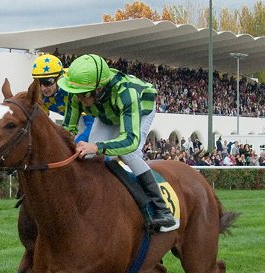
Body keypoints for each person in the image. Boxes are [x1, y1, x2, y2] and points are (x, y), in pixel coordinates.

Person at [57, 54, 174, 229]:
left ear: (98, 89)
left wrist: (97, 146)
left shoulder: (126, 93)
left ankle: (162, 210)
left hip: (139, 110)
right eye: (75, 94)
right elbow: (67, 130)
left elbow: (130, 140)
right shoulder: (79, 94)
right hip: (107, 113)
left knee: (129, 154)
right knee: (89, 158)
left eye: (82, 95)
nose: (78, 99)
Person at [31, 54, 93, 143]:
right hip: (73, 119)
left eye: (47, 82)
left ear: (59, 78)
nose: (43, 88)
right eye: (38, 83)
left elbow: (91, 124)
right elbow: (42, 124)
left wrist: (75, 145)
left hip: (93, 116)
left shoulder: (73, 88)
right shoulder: (40, 95)